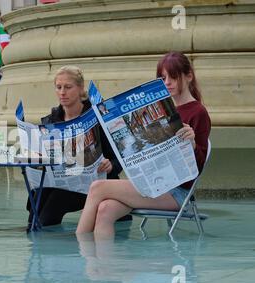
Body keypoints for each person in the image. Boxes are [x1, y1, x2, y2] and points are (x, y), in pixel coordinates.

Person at [76, 51, 211, 239]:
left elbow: (198, 168)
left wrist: (193, 144)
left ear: (189, 76)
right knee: (105, 210)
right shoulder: (163, 108)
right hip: (150, 184)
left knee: (98, 187)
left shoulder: (198, 112)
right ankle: (100, 266)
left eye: (173, 77)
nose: (167, 83)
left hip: (176, 192)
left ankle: (77, 257)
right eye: (162, 78)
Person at [27, 65, 127, 227]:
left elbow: (118, 155)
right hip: (62, 181)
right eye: (58, 87)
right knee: (37, 204)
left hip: (92, 183)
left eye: (68, 87)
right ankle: (36, 240)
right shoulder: (50, 121)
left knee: (50, 208)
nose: (62, 92)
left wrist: (110, 165)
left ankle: (47, 242)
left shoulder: (97, 118)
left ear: (80, 89)